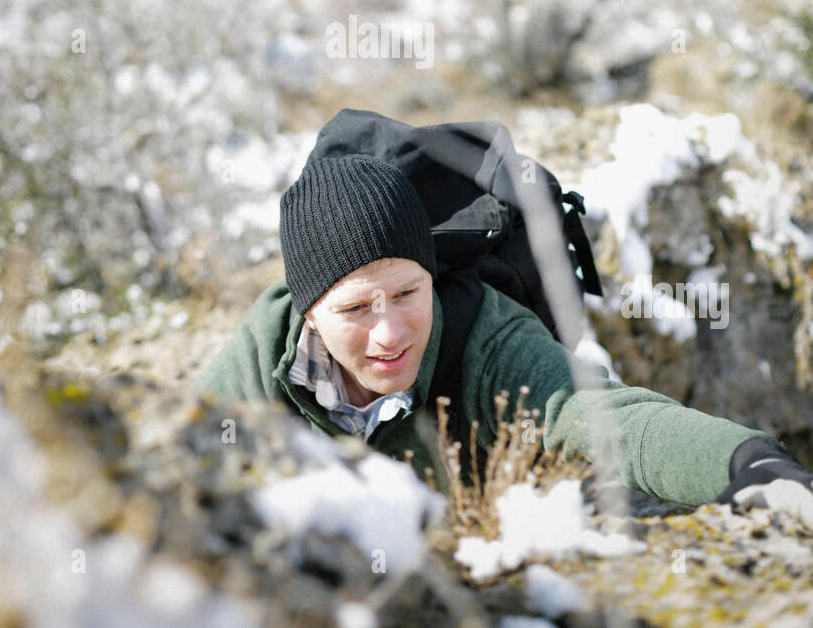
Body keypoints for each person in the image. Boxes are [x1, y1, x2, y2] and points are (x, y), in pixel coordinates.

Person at [195, 153, 813, 516]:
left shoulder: (485, 336)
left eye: (409, 293)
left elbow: (606, 417)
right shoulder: (260, 359)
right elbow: (168, 459)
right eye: (356, 309)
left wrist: (749, 461)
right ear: (309, 314)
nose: (389, 332)